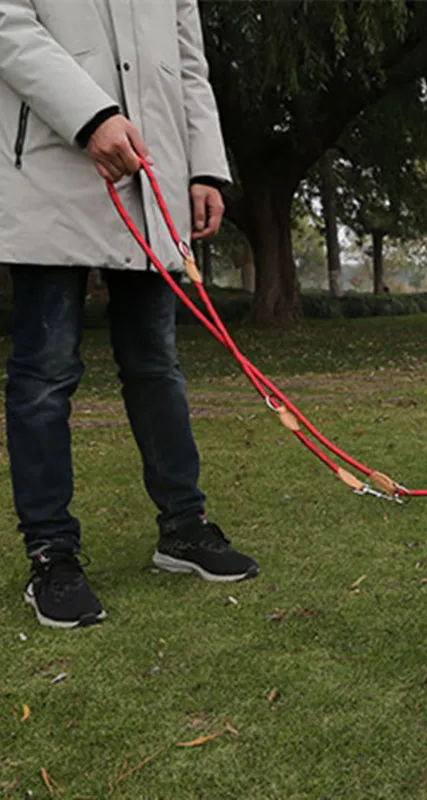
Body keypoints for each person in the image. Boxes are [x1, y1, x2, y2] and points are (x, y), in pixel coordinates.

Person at [0, 0, 259, 629]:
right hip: (51, 166)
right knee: (45, 371)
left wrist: (203, 168)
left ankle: (184, 527)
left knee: (156, 361)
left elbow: (188, 65)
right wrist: (89, 117)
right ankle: (52, 553)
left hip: (152, 175)